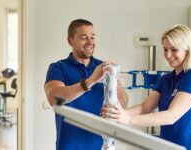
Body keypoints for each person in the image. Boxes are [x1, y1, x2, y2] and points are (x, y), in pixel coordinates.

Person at [102, 24, 191, 150]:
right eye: (165, 49)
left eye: (174, 50)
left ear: (188, 50)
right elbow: (144, 107)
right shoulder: (166, 79)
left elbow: (171, 116)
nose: (168, 55)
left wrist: (129, 119)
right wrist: (119, 114)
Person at [44, 19, 128, 150]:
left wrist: (116, 84)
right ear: (70, 41)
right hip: (70, 146)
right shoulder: (58, 68)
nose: (90, 42)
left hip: (102, 146)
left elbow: (124, 104)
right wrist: (91, 81)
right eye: (84, 38)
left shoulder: (105, 68)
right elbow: (54, 99)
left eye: (92, 37)